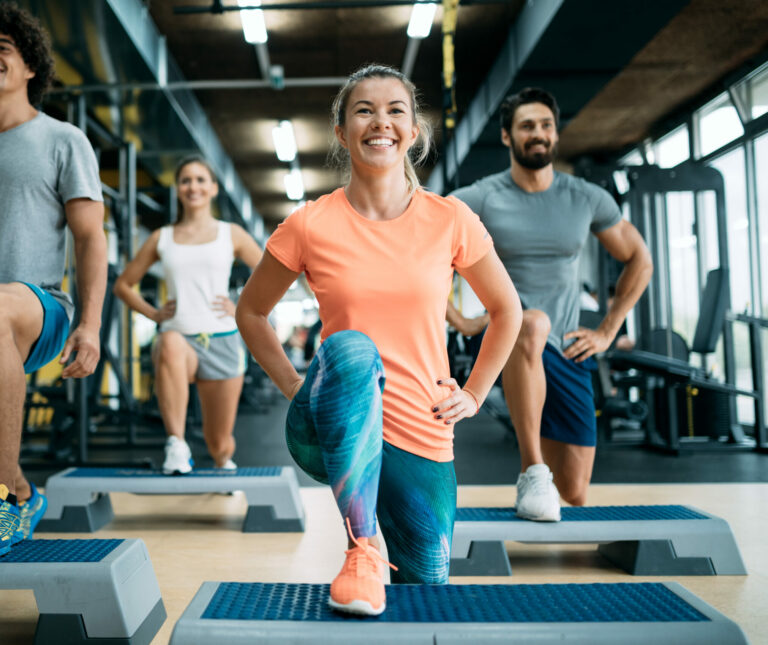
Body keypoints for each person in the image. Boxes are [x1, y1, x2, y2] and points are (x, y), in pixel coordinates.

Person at [236, 64, 521, 616]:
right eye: (363, 110)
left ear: (413, 132)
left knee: (426, 589)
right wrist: (298, 387)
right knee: (351, 348)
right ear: (341, 133)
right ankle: (361, 548)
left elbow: (506, 309)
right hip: (335, 421)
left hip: (423, 425)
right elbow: (251, 312)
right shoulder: (310, 224)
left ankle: (381, 564)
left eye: (395, 110)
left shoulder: (449, 219)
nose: (380, 122)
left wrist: (476, 391)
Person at [451, 87, 653, 521]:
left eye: (545, 125)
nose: (538, 133)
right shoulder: (482, 197)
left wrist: (607, 329)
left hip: (565, 343)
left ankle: (545, 474)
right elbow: (421, 249)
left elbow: (639, 258)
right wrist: (461, 321)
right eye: (526, 126)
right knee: (530, 323)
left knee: (576, 491)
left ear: (556, 134)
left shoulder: (585, 197)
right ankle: (531, 469)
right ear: (507, 137)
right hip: (501, 336)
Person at [0, 3, 107, 555]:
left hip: (40, 307)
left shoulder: (61, 140)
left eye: (3, 47)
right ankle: (20, 490)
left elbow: (90, 239)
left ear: (30, 66)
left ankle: (4, 499)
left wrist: (90, 327)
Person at [114, 156, 263, 474]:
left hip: (223, 340)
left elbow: (270, 271)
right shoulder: (161, 238)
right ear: (178, 189)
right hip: (179, 337)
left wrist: (241, 308)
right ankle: (177, 444)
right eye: (185, 180)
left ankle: (223, 462)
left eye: (199, 180)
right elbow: (124, 285)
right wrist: (155, 314)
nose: (192, 186)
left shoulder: (231, 233)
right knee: (167, 340)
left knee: (219, 443)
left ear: (213, 188)